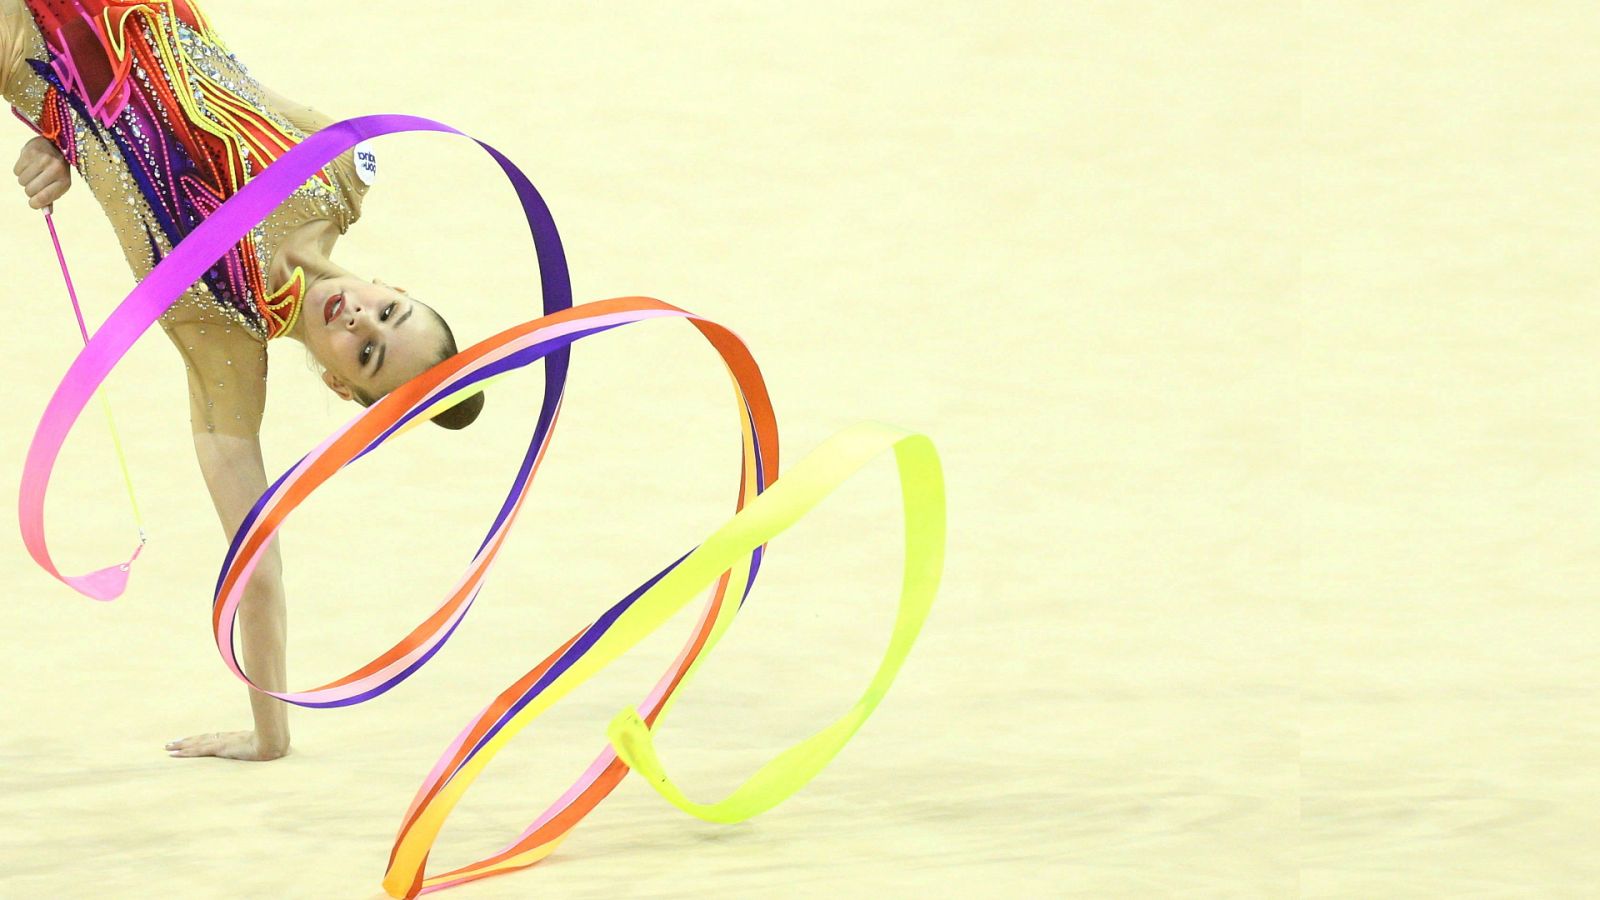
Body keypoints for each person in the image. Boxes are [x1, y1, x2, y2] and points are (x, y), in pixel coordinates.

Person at [1, 0, 483, 760]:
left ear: (336, 385)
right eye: (389, 310)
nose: (359, 318)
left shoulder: (222, 339)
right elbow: (229, 79)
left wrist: (270, 735)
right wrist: (66, 154)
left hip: (27, 51)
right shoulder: (339, 174)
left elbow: (256, 565)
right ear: (391, 283)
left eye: (365, 354)